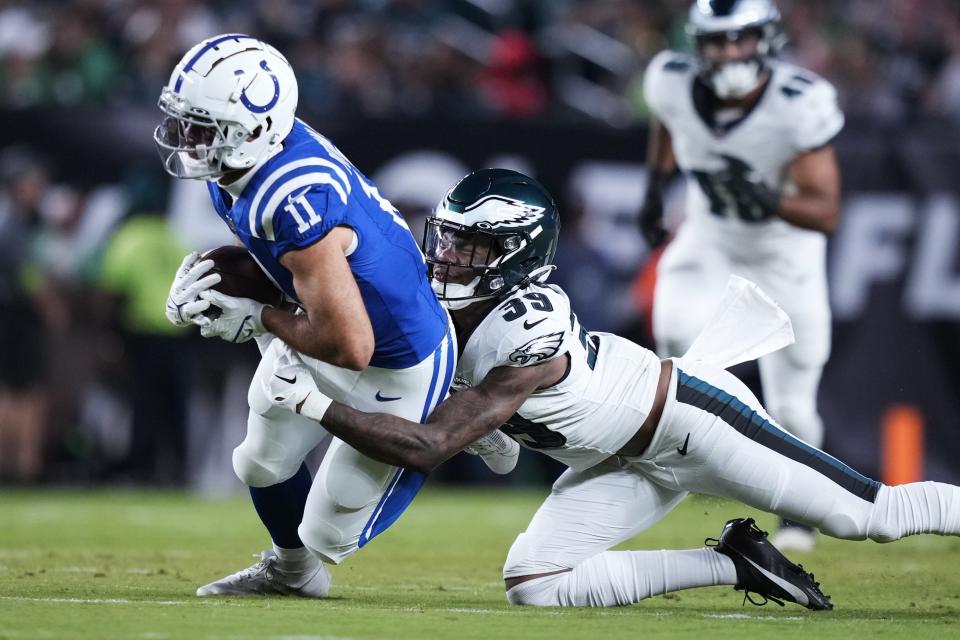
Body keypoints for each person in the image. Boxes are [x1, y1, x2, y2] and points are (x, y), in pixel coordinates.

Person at [264, 168, 960, 610]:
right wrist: (269, 317)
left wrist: (314, 404)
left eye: (470, 247)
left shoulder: (527, 325)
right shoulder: (445, 307)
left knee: (869, 516)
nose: (447, 257)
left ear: (517, 254)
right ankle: (735, 565)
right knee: (536, 585)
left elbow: (431, 444)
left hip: (692, 421)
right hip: (619, 457)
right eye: (445, 239)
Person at [154, 35, 516, 598]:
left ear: (254, 127)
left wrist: (258, 317)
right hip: (336, 323)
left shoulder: (288, 195)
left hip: (400, 358)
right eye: (186, 123)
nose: (188, 140)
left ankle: (456, 417)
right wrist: (211, 278)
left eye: (205, 127)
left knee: (330, 531)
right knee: (258, 463)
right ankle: (291, 573)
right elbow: (278, 267)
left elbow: (352, 346)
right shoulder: (247, 167)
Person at [637, 0, 844, 550]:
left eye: (740, 39)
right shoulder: (671, 80)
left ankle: (800, 512)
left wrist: (770, 198)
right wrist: (657, 187)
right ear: (697, 43)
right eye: (717, 40)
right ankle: (672, 469)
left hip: (785, 255)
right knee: (676, 341)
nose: (729, 52)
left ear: (765, 39)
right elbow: (667, 119)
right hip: (710, 238)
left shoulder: (799, 103)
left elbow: (826, 211)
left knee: (794, 404)